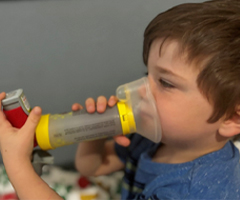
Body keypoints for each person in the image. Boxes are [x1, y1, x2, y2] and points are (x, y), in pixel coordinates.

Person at [0, 0, 240, 199]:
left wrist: (18, 166)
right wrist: (94, 130)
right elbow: (92, 167)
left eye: (166, 83)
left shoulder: (197, 190)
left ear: (231, 117)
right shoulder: (156, 138)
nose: (143, 90)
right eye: (149, 75)